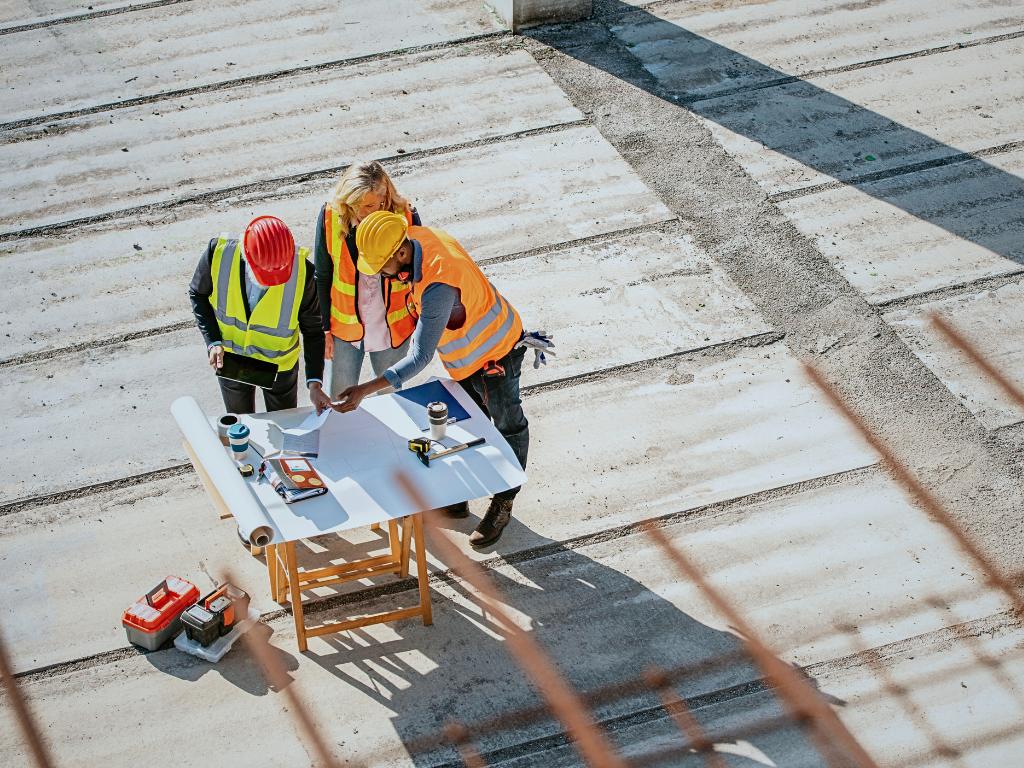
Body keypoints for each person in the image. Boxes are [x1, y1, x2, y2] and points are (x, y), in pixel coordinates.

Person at [332, 211, 531, 548]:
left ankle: (503, 502)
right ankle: (459, 496)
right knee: (467, 424)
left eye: (382, 265)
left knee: (508, 426)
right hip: (468, 358)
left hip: (497, 353)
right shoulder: (418, 237)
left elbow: (420, 357)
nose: (381, 272)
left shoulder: (438, 284)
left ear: (400, 253)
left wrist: (366, 390)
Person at [189, 215, 331, 415]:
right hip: (232, 360)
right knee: (242, 424)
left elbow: (313, 330)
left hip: (278, 368)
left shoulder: (303, 272)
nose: (272, 281)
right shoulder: (218, 254)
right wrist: (213, 342)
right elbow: (198, 294)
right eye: (265, 273)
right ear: (246, 254)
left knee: (285, 424)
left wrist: (314, 384)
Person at [313, 161, 420, 395]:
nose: (363, 213)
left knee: (391, 400)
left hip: (393, 329)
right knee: (339, 398)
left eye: (371, 205)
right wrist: (324, 331)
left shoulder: (407, 217)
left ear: (385, 197)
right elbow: (322, 275)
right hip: (345, 330)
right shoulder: (331, 216)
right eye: (356, 206)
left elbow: (419, 274)